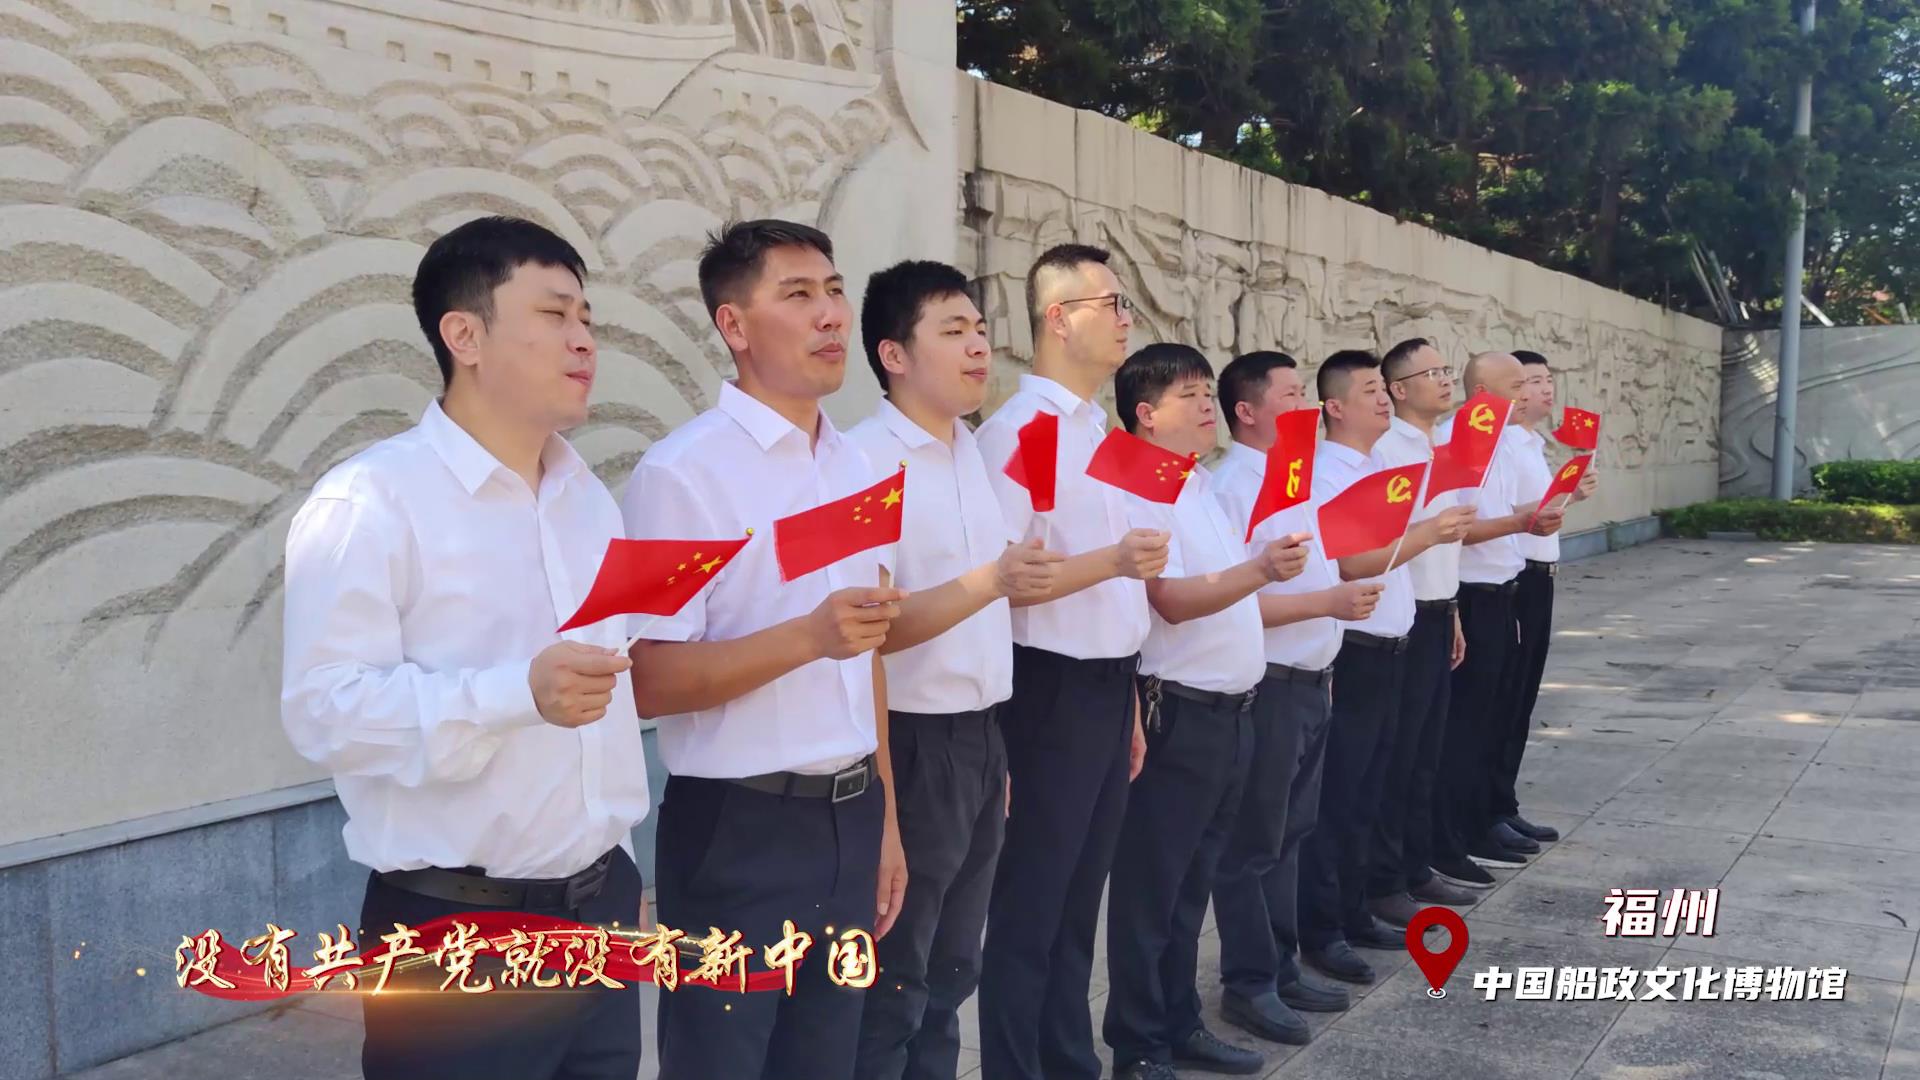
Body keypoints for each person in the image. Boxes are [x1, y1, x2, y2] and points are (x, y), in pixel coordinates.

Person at [281, 215, 651, 1080]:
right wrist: (516, 693)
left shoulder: (588, 500)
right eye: (554, 315)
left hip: (600, 915)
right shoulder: (370, 501)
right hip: (457, 935)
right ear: (464, 336)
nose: (583, 340)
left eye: (587, 319)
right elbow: (324, 710)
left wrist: (617, 876)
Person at [622, 220, 908, 1080]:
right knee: (720, 1062)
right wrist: (807, 637)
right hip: (736, 829)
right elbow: (648, 679)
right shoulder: (678, 475)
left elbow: (867, 651)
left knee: (826, 1060)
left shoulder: (859, 468)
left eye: (834, 291)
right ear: (734, 325)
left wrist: (887, 819)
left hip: (852, 815)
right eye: (798, 294)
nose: (830, 315)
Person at [846, 260, 1063, 1080]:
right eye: (953, 331)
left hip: (978, 742)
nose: (979, 346)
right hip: (908, 744)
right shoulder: (867, 463)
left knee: (950, 972)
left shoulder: (971, 451)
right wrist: (991, 581)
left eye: (979, 328)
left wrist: (989, 751)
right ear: (894, 354)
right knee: (895, 979)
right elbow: (868, 634)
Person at [974, 243, 1171, 1080]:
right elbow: (1003, 582)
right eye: (1111, 303)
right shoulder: (1024, 433)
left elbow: (1114, 589)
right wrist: (1114, 563)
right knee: (1031, 906)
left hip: (1106, 686)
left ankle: (1067, 1060)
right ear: (1058, 318)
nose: (1127, 320)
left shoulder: (1098, 431)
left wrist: (1128, 697)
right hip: (1046, 691)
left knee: (1078, 901)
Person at [1100, 344, 1310, 1080]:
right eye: (1188, 395)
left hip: (1232, 713)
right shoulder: (1138, 488)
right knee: (1152, 891)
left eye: (1205, 392)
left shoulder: (1194, 484)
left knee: (1192, 887)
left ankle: (1179, 1022)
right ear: (1146, 414)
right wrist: (1259, 570)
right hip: (1179, 714)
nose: (1204, 407)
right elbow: (1170, 600)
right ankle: (1138, 1044)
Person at [1209, 351, 1381, 1044]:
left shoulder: (1294, 478)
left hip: (1311, 680)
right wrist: (1327, 605)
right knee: (1253, 843)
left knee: (1290, 834)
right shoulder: (1233, 487)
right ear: (1247, 410)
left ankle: (1280, 966)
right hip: (1270, 685)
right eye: (1289, 395)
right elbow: (1230, 604)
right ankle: (1248, 982)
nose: (1304, 406)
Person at [1296, 350, 1473, 986]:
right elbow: (1353, 561)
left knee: (1372, 785)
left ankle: (1357, 906)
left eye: (1381, 388)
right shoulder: (1328, 473)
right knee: (1340, 793)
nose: (1381, 399)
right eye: (1369, 390)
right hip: (1357, 649)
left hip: (1395, 641)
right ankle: (1324, 927)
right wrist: (1428, 533)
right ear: (1334, 407)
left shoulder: (1377, 466)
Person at [1433, 352, 1565, 887]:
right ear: (1483, 391)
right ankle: (1459, 830)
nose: (1525, 395)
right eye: (1516, 386)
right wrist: (1520, 522)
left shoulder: (1502, 442)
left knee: (1495, 713)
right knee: (1466, 722)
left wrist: (1528, 518)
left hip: (1503, 589)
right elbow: (1462, 528)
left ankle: (1486, 815)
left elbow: (1505, 517)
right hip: (1470, 595)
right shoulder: (1458, 440)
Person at [1368, 339, 1483, 918]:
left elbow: (1446, 544)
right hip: (1404, 618)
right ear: (1398, 389)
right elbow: (1392, 544)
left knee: (1424, 754)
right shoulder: (1387, 450)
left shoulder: (1441, 446)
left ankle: (1417, 867)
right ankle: (1385, 879)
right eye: (1431, 372)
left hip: (1440, 611)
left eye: (1445, 369)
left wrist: (1453, 610)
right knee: (1398, 755)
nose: (1444, 379)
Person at [1496, 350, 1599, 847]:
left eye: (1546, 379)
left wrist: (1569, 495)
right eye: (1531, 380)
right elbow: (1511, 518)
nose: (1543, 389)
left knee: (1521, 700)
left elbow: (1538, 514)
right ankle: (1489, 808)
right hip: (1516, 579)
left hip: (1542, 576)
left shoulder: (1532, 444)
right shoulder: (1503, 445)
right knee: (1504, 700)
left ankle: (1504, 802)